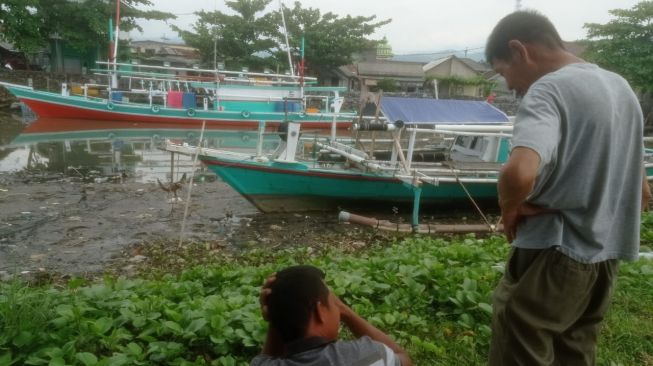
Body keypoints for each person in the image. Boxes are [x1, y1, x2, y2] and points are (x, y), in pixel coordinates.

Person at [485, 10, 651, 366]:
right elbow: (636, 167)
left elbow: (519, 171)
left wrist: (509, 205)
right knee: (574, 345)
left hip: (556, 247)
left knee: (521, 334)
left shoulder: (548, 89)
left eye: (503, 72)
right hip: (604, 254)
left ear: (519, 50)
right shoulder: (619, 86)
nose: (509, 86)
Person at [252, 265, 412, 366]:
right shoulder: (367, 353)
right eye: (332, 301)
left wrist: (276, 315)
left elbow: (266, 358)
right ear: (320, 311)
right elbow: (403, 358)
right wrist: (345, 310)